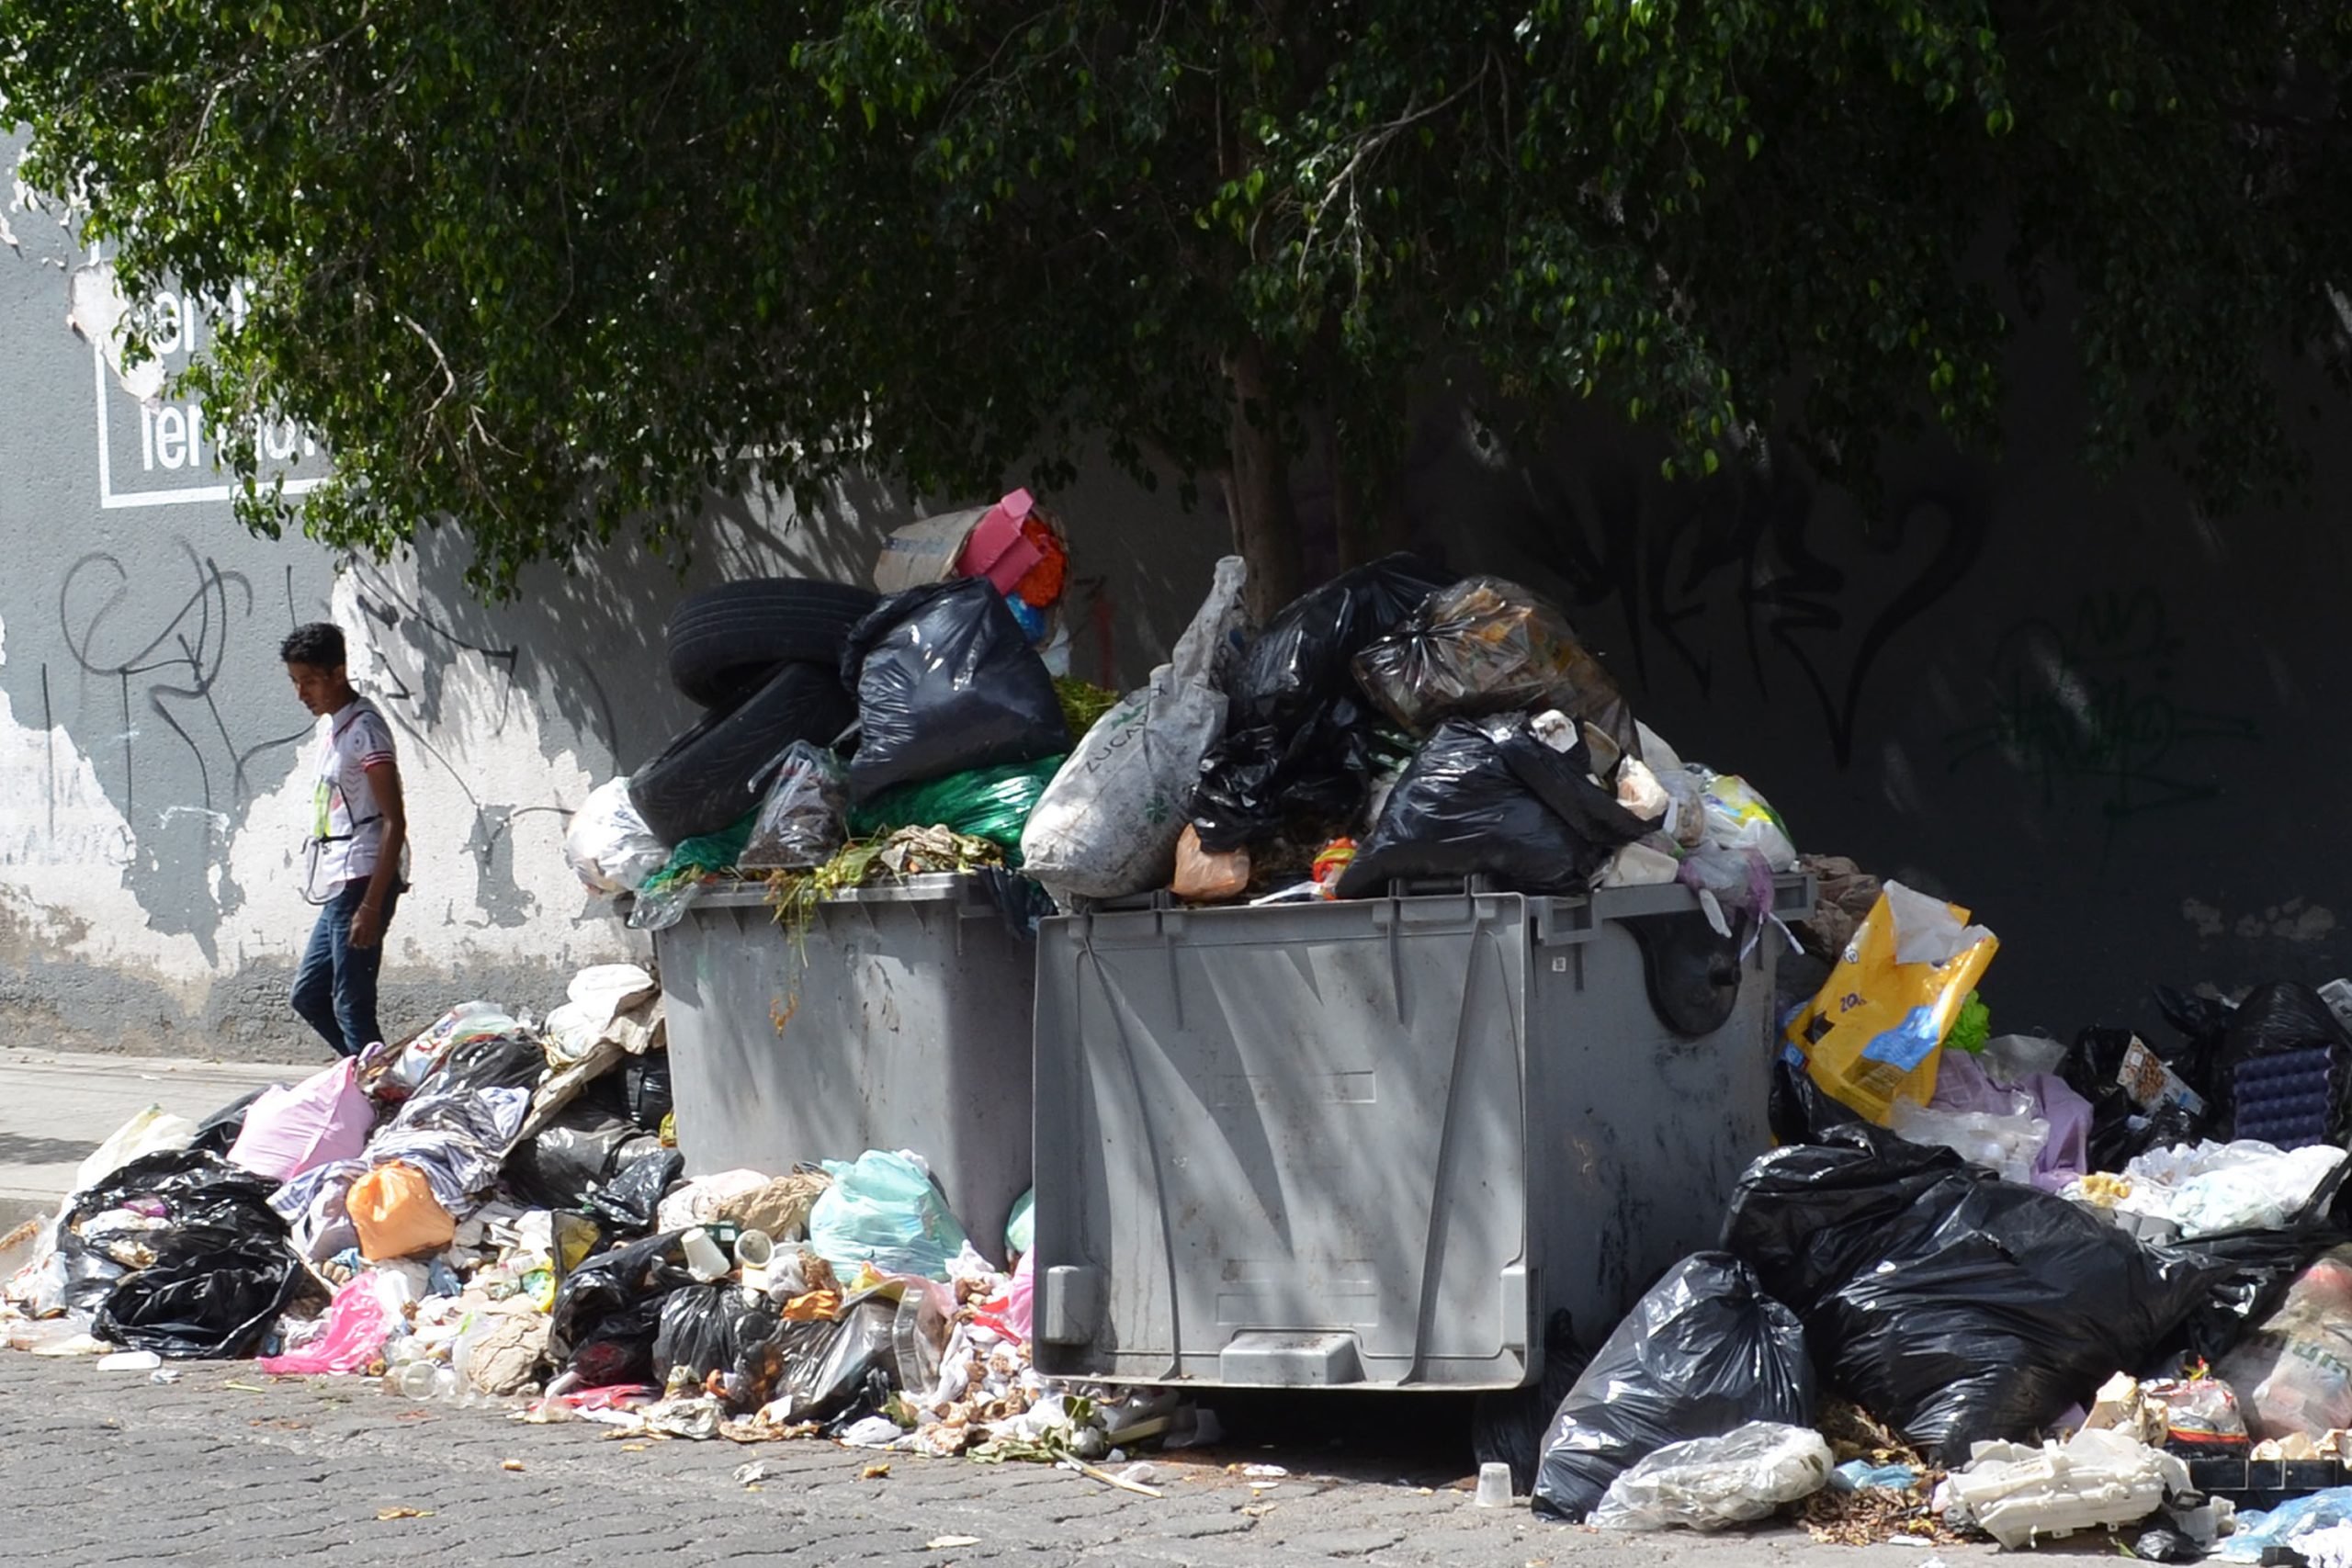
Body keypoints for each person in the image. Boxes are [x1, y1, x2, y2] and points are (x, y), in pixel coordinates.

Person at [282, 621, 408, 1057]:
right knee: (308, 996)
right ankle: (365, 1081)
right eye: (296, 682)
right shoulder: (335, 728)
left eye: (310, 681)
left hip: (363, 878)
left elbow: (394, 820)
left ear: (338, 674)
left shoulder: (364, 730)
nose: (302, 694)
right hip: (338, 879)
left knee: (352, 1002)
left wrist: (371, 906)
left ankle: (378, 1100)